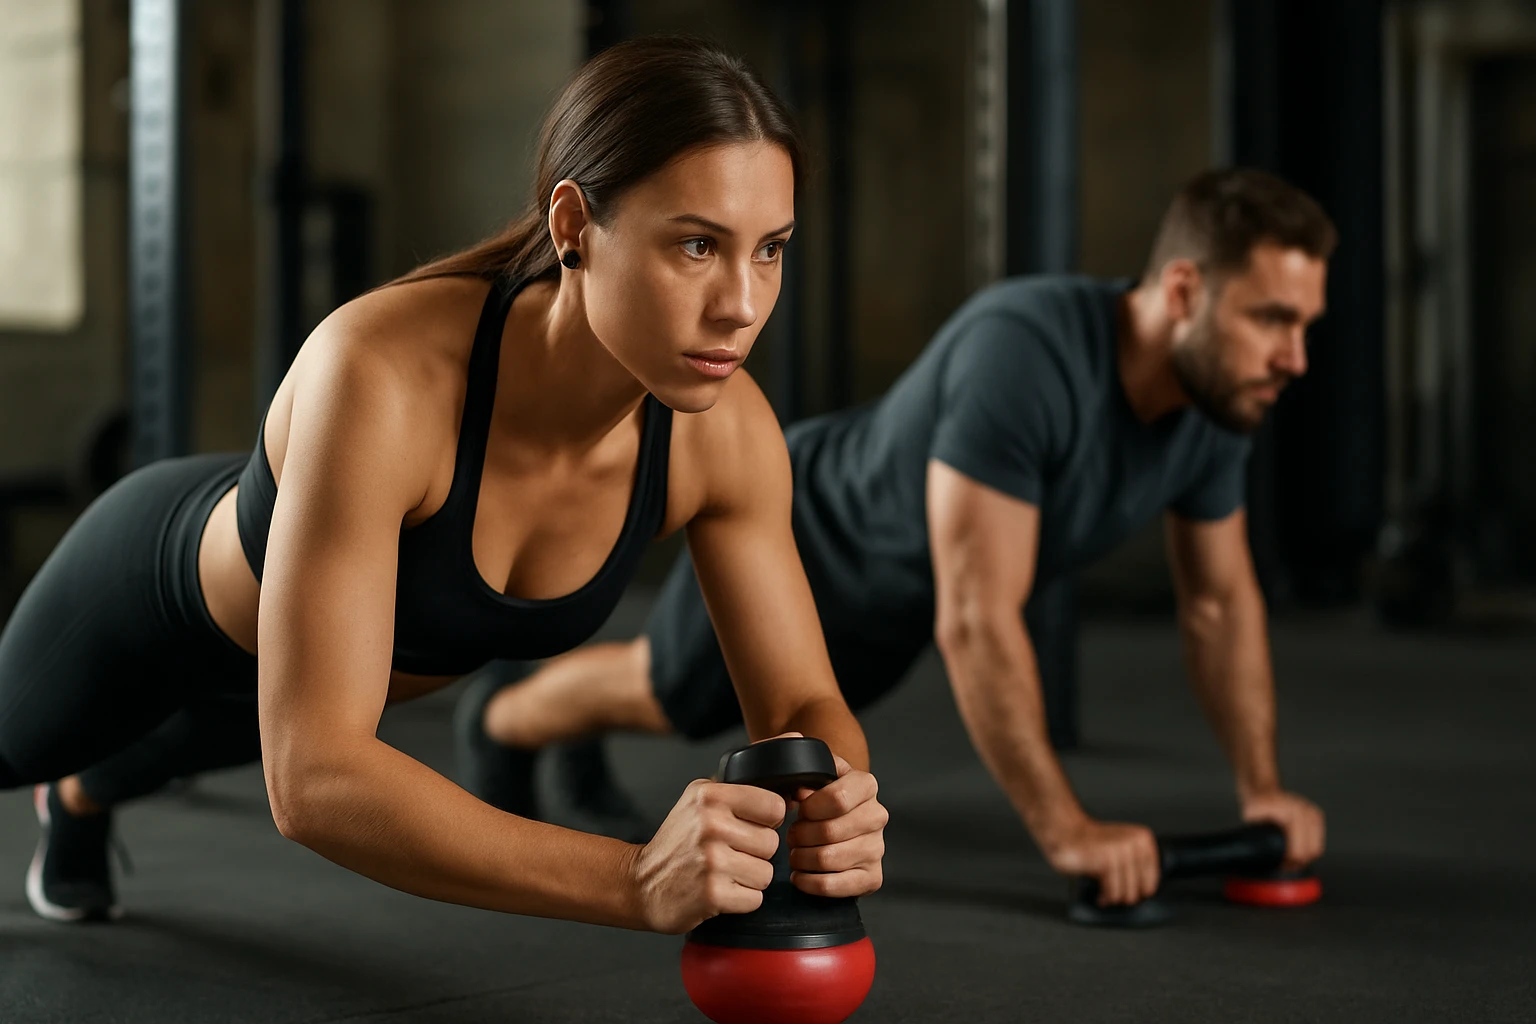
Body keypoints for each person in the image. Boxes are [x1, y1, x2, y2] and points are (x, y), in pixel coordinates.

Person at [0, 36, 887, 929]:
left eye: (770, 249)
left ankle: (80, 799)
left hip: (322, 679)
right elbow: (314, 776)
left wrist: (830, 792)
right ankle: (68, 782)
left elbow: (801, 704)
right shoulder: (382, 374)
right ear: (574, 226)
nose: (741, 301)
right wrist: (632, 880)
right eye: (698, 245)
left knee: (155, 751)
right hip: (155, 610)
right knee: (23, 740)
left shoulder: (725, 437)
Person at [461, 167, 1331, 907]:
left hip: (896, 600)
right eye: (1271, 320)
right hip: (811, 528)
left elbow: (1219, 603)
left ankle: (551, 717)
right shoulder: (1027, 352)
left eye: (1305, 326)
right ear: (1183, 291)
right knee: (670, 695)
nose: (1295, 358)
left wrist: (1264, 792)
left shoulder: (1217, 409)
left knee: (787, 746)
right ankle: (505, 716)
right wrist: (1069, 833)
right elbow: (979, 615)